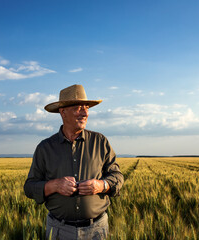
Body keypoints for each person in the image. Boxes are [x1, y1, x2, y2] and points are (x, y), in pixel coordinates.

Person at [24, 84, 124, 239]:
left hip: (97, 230)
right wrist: (55, 185)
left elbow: (117, 177)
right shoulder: (45, 148)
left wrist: (101, 185)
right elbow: (29, 187)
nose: (85, 113)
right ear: (63, 112)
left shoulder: (100, 141)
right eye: (78, 108)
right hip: (59, 230)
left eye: (87, 108)